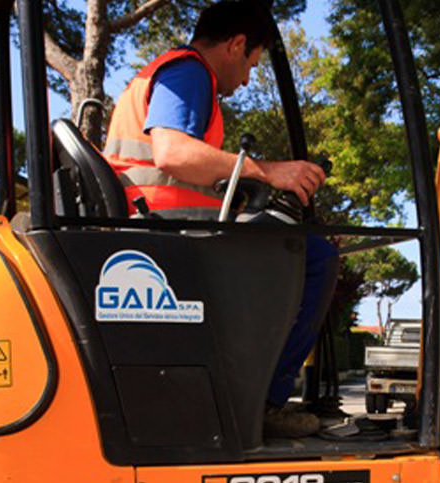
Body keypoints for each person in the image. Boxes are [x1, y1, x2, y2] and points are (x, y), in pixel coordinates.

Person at [104, 0, 338, 438]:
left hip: (158, 234)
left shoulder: (169, 72)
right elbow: (171, 153)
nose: (248, 78)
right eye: (252, 63)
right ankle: (264, 402)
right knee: (316, 257)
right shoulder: (190, 73)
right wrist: (269, 171)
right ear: (236, 45)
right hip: (169, 241)